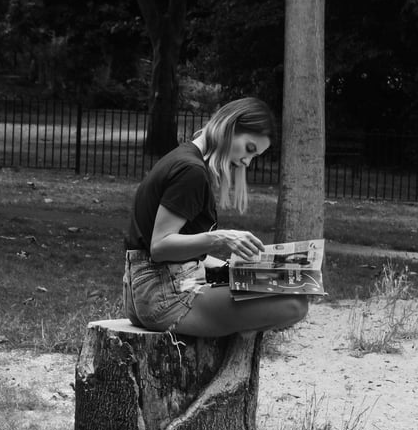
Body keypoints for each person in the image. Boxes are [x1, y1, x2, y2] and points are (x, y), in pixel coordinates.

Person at [122, 97, 309, 337]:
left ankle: (238, 326)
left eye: (255, 156)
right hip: (166, 298)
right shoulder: (191, 171)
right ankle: (240, 327)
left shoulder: (185, 159)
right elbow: (159, 247)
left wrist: (234, 268)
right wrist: (222, 237)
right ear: (231, 127)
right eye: (249, 149)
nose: (247, 162)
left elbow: (158, 250)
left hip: (147, 293)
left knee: (287, 289)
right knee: (294, 304)